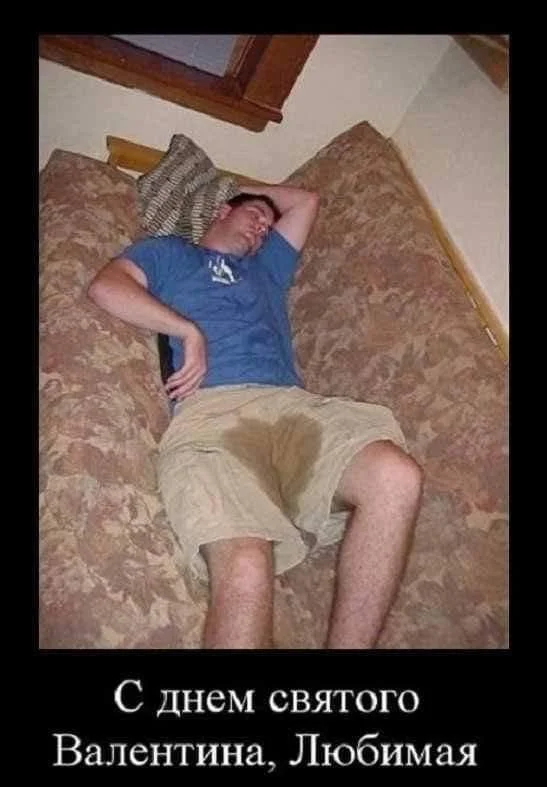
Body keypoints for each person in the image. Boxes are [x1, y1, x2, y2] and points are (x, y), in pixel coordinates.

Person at [87, 183, 423, 649]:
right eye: (255, 217)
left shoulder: (266, 269)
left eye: (269, 226)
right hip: (213, 417)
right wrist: (187, 331)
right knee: (245, 564)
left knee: (396, 476)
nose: (263, 229)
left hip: (290, 410)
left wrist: (249, 193)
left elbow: (307, 201)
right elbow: (106, 286)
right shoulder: (170, 253)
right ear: (222, 210)